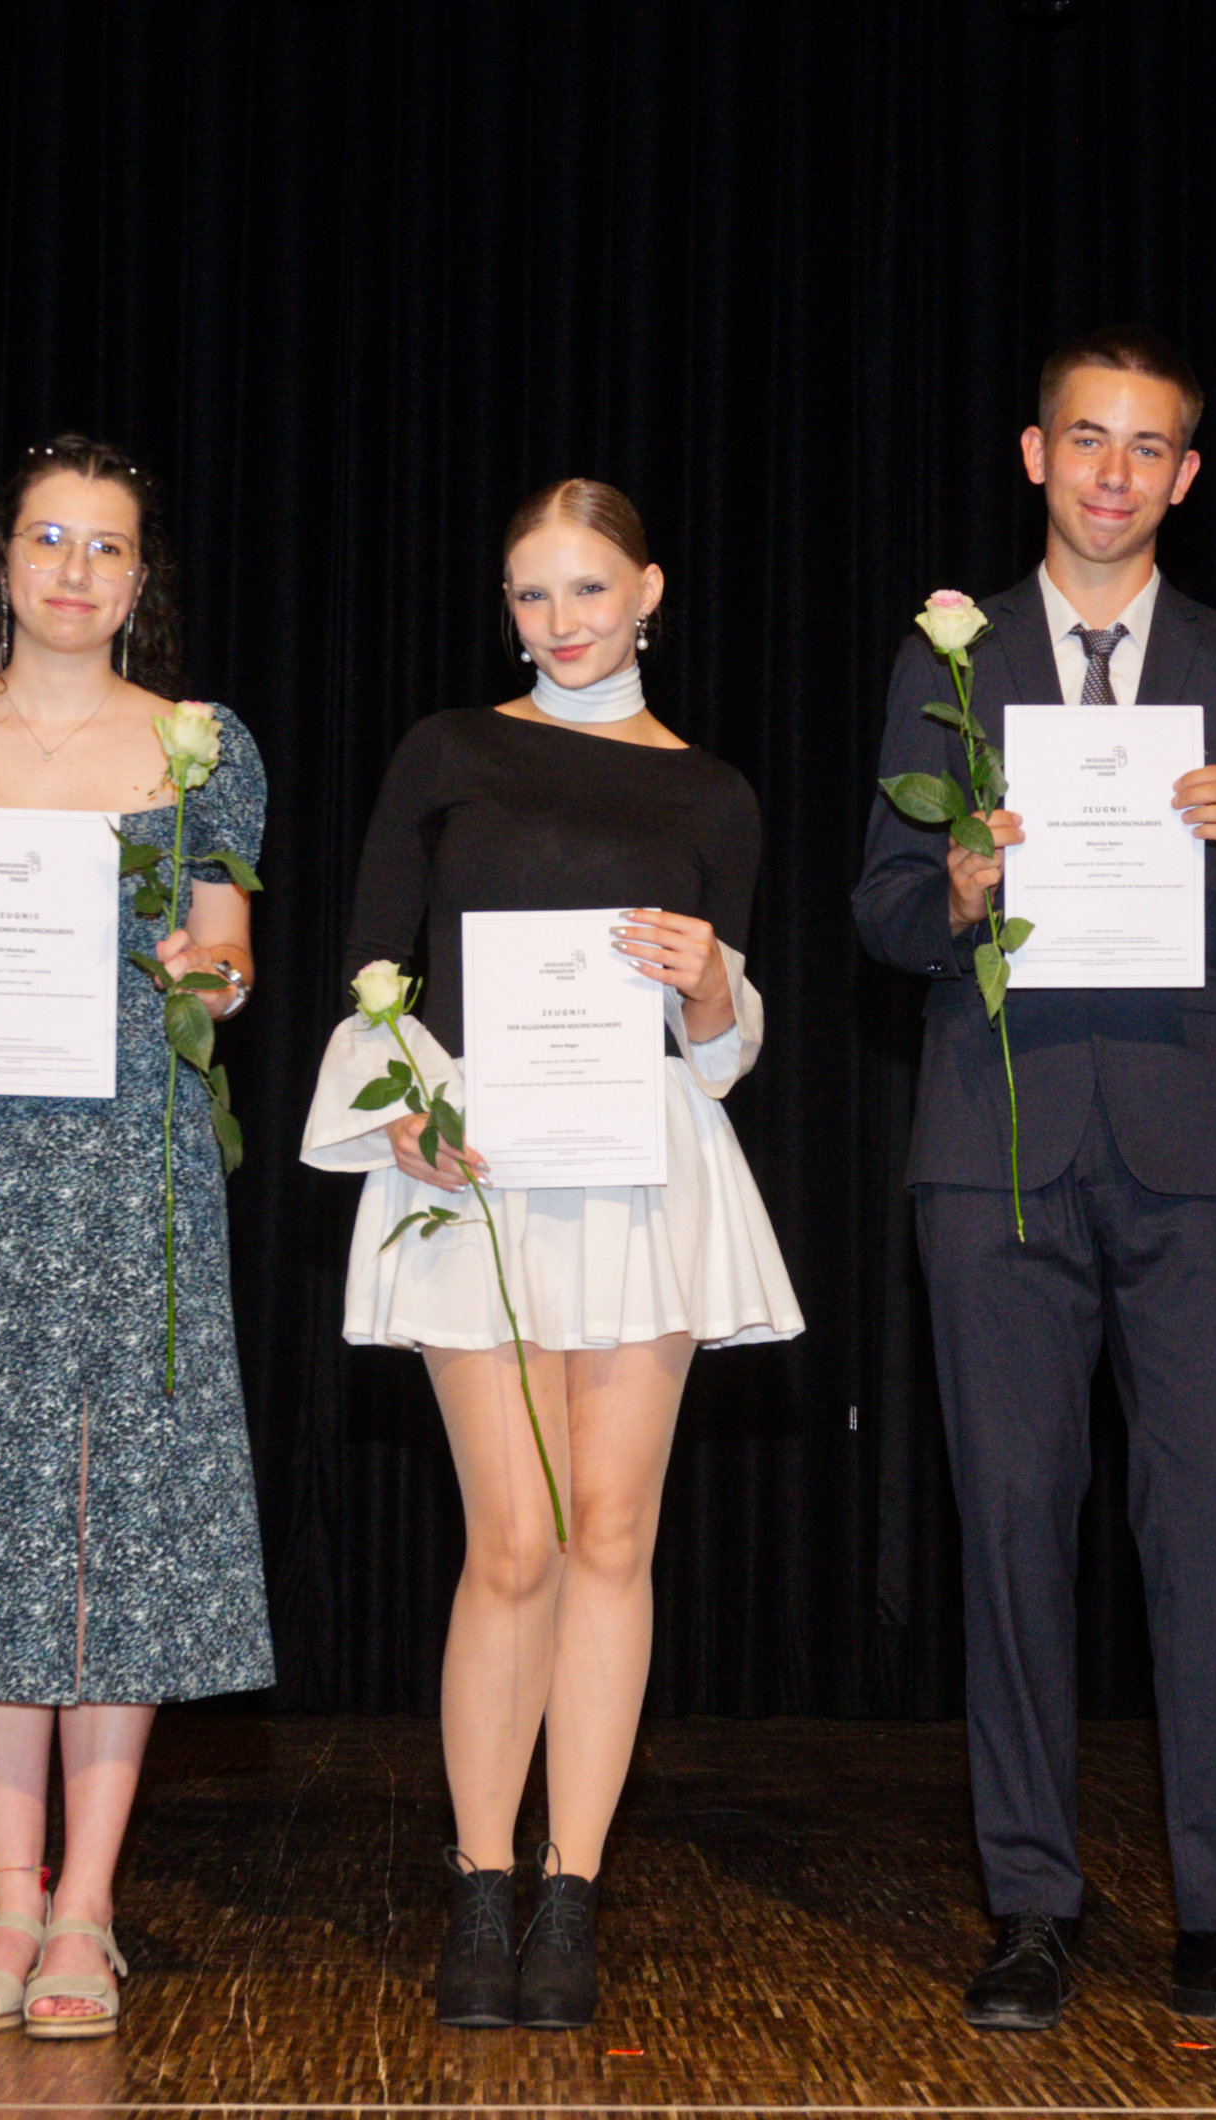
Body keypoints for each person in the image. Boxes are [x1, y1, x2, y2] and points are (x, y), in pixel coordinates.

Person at [853, 327, 1216, 2038]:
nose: (1114, 472)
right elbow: (877, 912)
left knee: (1210, 1533)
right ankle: (1030, 1903)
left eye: (1149, 447)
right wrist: (955, 888)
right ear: (1036, 453)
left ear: (1186, 477)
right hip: (992, 1147)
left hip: (1198, 1158)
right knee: (1011, 1529)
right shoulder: (950, 661)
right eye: (1089, 438)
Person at [302, 479, 801, 2032]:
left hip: (643, 1173)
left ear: (649, 592)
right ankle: (479, 1879)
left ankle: (571, 1889)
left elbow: (719, 1051)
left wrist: (711, 985)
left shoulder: (714, 791)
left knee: (612, 1532)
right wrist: (399, 1105)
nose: (562, 619)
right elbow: (376, 966)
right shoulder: (448, 750)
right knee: (513, 1540)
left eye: (589, 588)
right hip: (484, 1168)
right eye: (533, 592)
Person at [0, 436, 275, 2038]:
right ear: (2, 563)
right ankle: (7, 1900)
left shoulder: (200, 746)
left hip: (137, 1167)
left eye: (107, 547)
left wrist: (215, 976)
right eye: (49, 540)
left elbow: (228, 956)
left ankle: (87, 1903)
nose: (75, 571)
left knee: (121, 1515)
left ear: (142, 580)